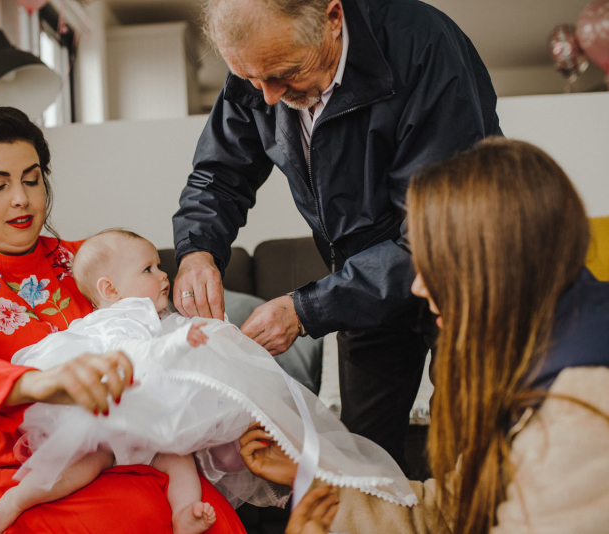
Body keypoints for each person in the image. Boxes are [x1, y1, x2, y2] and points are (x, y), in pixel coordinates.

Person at [172, 0, 501, 469]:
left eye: (285, 73)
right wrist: (197, 250)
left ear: (332, 18)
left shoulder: (423, 46)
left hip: (459, 281)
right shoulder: (260, 65)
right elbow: (219, 176)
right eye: (251, 80)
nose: (268, 97)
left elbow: (435, 236)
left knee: (469, 450)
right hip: (360, 291)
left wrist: (306, 309)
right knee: (363, 459)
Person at [0, 106, 247, 534]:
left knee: (208, 515)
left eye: (31, 180)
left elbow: (160, 337)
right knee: (138, 517)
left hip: (114, 447)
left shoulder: (85, 262)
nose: (21, 198)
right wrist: (36, 383)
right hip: (0, 463)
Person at [238, 139, 609, 534]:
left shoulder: (581, 414)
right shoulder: (532, 355)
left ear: (493, 267)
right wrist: (312, 476)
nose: (418, 287)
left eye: (433, 262)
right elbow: (450, 511)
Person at [0, 229, 418, 534]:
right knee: (85, 461)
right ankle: (19, 499)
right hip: (109, 411)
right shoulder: (119, 318)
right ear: (109, 289)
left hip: (149, 423)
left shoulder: (155, 315)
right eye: (149, 268)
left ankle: (185, 515)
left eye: (160, 266)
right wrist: (178, 343)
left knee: (179, 462)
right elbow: (133, 357)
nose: (163, 275)